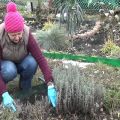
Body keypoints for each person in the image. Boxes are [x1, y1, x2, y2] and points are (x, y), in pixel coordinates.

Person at [0, 2, 57, 112]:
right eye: (13, 35)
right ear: (7, 32)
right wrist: (3, 92)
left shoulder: (26, 33)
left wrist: (50, 83)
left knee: (32, 62)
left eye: (19, 33)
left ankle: (25, 88)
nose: (17, 37)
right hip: (5, 64)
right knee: (10, 70)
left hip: (21, 60)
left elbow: (40, 58)